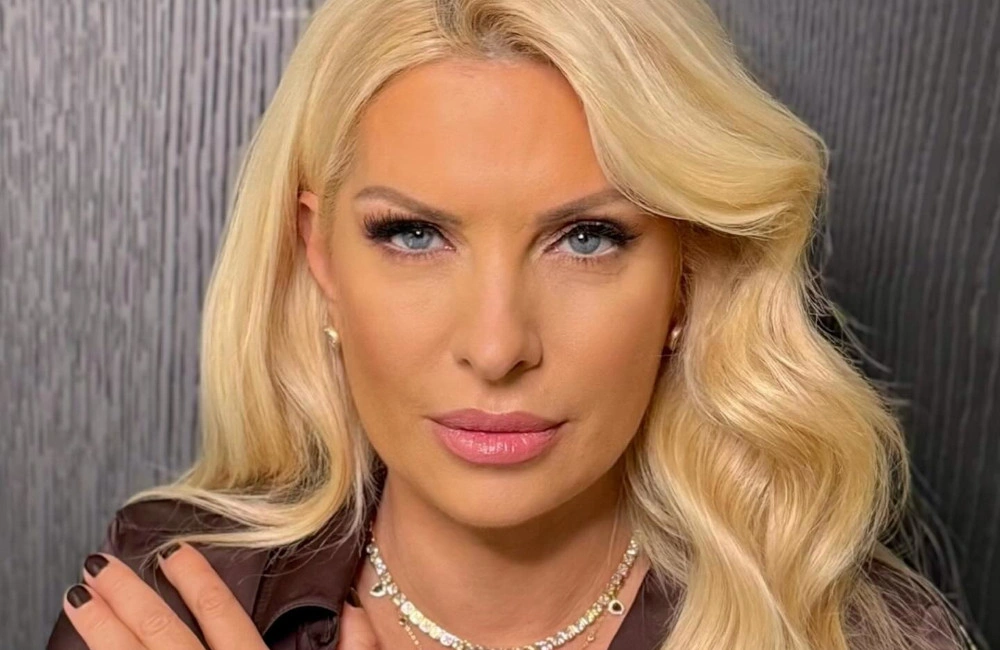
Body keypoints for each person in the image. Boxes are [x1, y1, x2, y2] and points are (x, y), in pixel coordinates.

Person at [45, 0, 977, 648]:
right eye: (414, 235)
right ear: (319, 255)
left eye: (587, 239)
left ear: (687, 276)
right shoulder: (165, 609)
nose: (496, 349)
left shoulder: (854, 635)